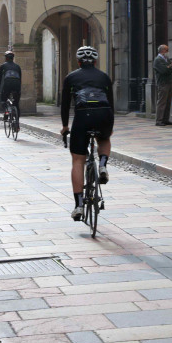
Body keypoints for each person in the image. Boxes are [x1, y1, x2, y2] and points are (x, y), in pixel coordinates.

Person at [60, 46, 114, 222]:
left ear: (78, 62)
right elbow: (111, 104)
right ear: (96, 62)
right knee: (104, 138)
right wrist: (109, 126)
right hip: (104, 114)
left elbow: (65, 105)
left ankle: (79, 205)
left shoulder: (71, 77)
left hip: (83, 116)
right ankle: (103, 164)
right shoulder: (104, 77)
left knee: (77, 160)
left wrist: (65, 126)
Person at [0, 49, 22, 129]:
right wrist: (19, 90)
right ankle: (17, 124)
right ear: (13, 58)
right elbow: (20, 79)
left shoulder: (3, 66)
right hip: (17, 85)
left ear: (6, 58)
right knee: (16, 104)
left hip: (7, 84)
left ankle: (7, 113)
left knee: (3, 100)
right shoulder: (17, 66)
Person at [152, 44, 172, 126]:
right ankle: (159, 120)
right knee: (162, 102)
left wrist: (169, 67)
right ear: (162, 50)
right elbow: (164, 70)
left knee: (168, 101)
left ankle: (166, 119)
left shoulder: (166, 59)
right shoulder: (157, 60)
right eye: (166, 50)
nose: (167, 51)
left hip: (169, 82)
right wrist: (169, 67)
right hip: (162, 83)